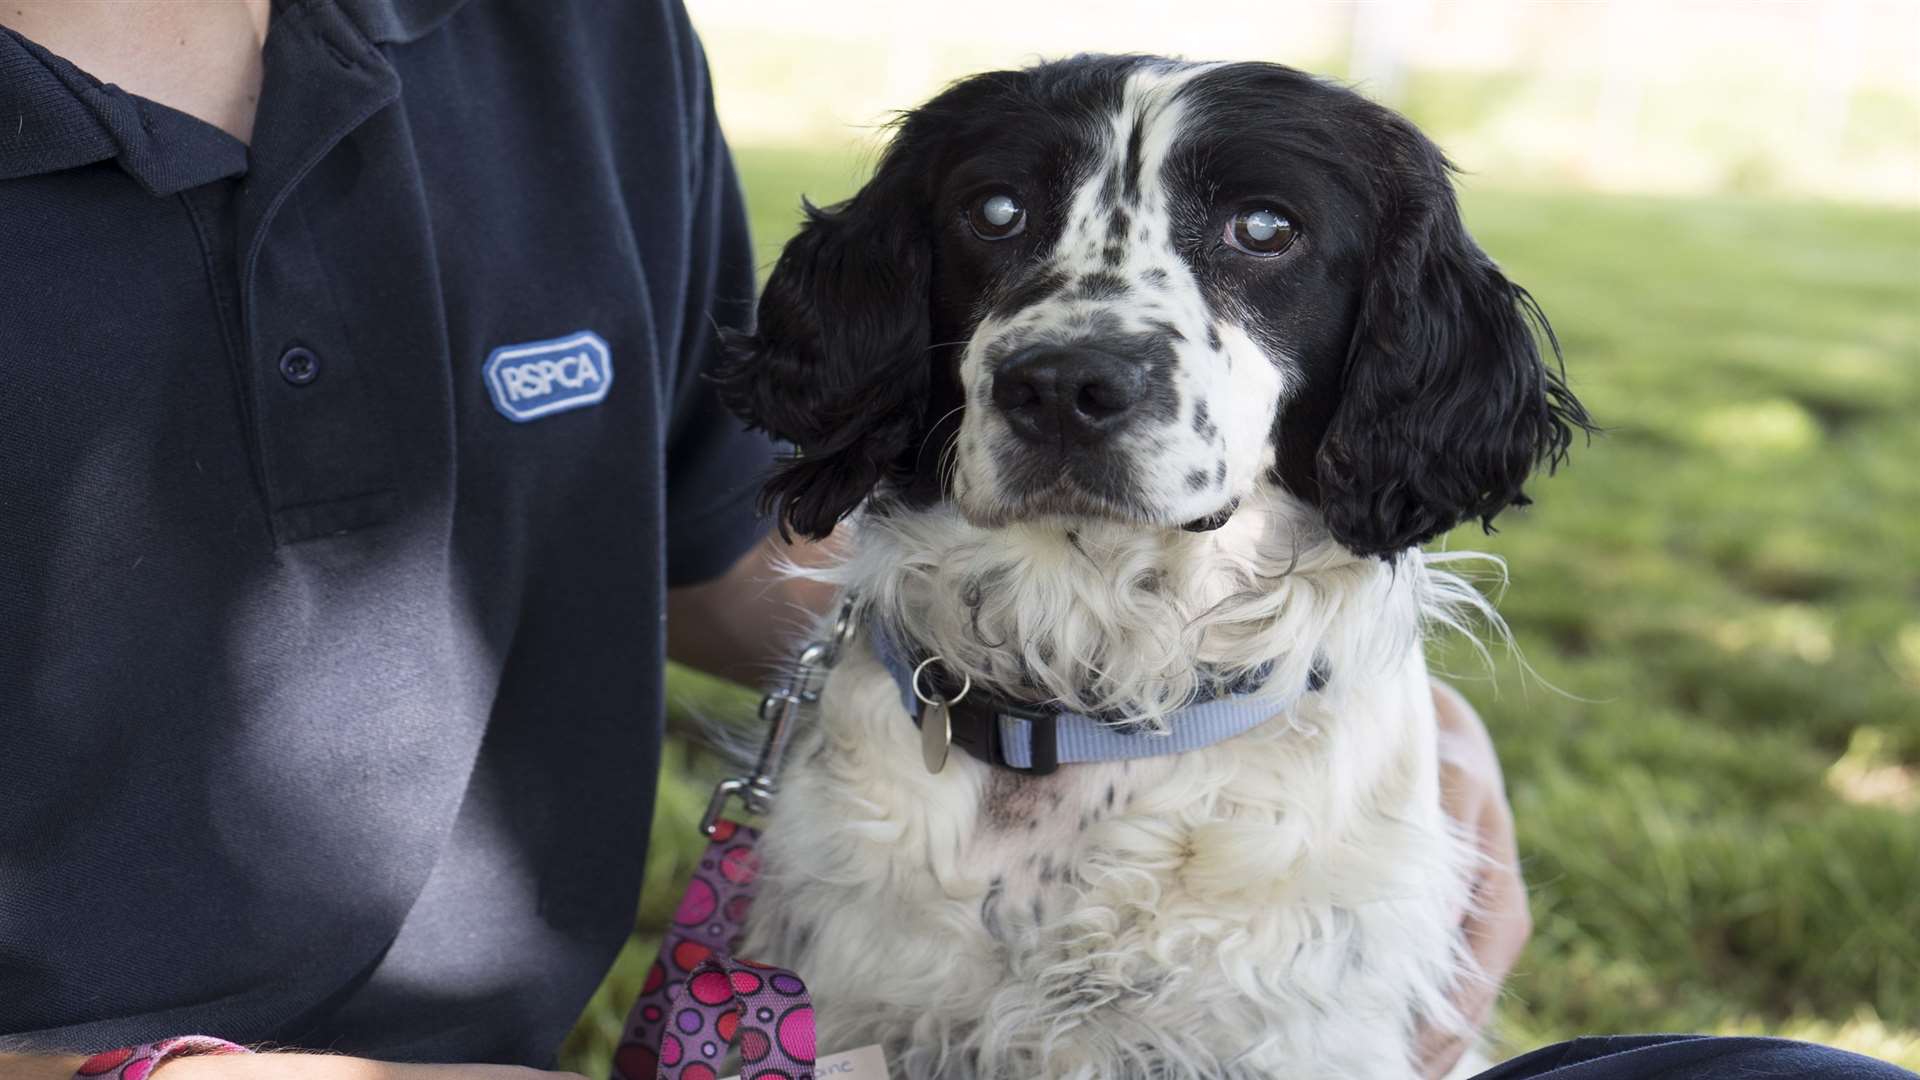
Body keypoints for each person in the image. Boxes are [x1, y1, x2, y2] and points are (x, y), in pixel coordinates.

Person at [0, 4, 1902, 1080]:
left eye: (1251, 240)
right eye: (1003, 219)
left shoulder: (562, 32)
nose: (1081, 338)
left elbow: (728, 541)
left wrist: (1245, 714)